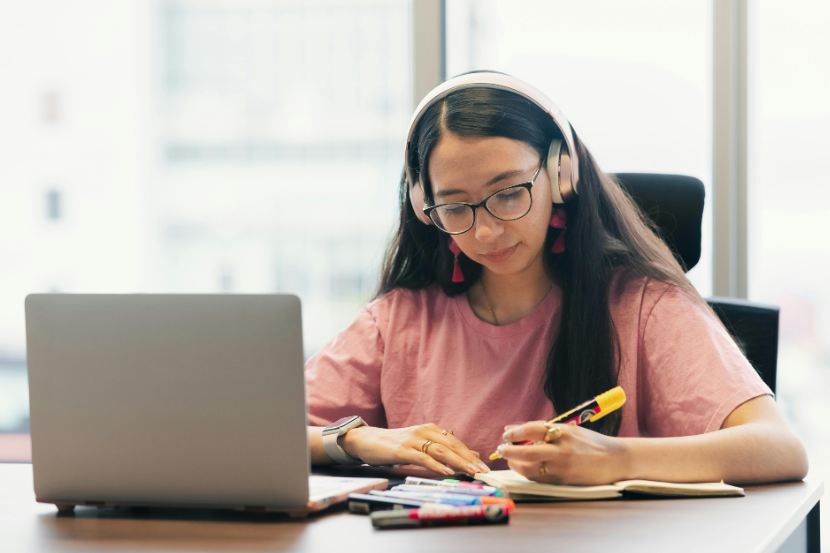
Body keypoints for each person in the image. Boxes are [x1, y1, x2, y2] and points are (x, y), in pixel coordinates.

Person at [304, 72, 808, 485]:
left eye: (507, 193)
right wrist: (355, 439)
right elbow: (246, 435)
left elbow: (778, 448)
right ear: (424, 207)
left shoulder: (639, 306)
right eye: (455, 207)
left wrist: (618, 458)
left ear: (560, 176)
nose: (485, 229)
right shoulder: (399, 321)